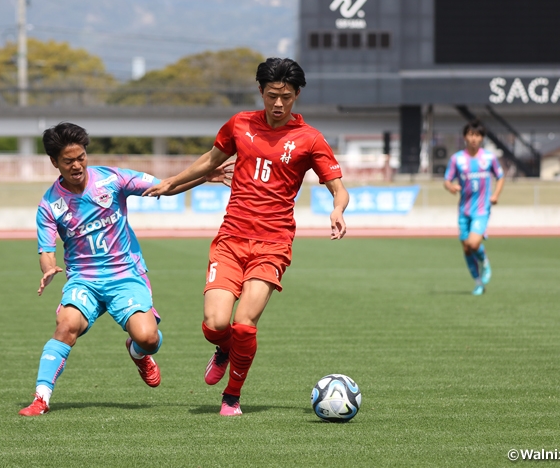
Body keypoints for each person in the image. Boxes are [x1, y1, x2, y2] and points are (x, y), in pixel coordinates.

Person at [145, 57, 349, 416]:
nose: (278, 104)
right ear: (260, 91)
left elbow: (338, 187)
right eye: (272, 95)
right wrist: (171, 182)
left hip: (273, 243)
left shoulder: (310, 139)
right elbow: (211, 160)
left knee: (243, 324)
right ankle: (223, 349)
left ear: (297, 95)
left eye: (286, 96)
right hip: (231, 238)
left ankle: (232, 396)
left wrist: (338, 209)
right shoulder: (239, 124)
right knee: (215, 325)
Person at [19, 122, 230, 416]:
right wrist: (49, 268)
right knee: (65, 327)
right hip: (84, 281)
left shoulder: (112, 179)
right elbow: (46, 250)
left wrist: (203, 177)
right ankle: (41, 398)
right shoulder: (49, 204)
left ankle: (137, 352)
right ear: (55, 162)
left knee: (148, 339)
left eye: (81, 157)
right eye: (68, 161)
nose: (77, 165)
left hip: (125, 276)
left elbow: (163, 187)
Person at [444, 120, 505, 296]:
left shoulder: (489, 158)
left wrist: (496, 195)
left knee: (473, 243)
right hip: (464, 210)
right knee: (466, 248)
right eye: (471, 135)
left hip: (481, 209)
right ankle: (478, 282)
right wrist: (451, 187)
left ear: (482, 138)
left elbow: (500, 176)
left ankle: (484, 260)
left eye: (477, 135)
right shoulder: (457, 159)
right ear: (465, 137)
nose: (474, 139)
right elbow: (447, 180)